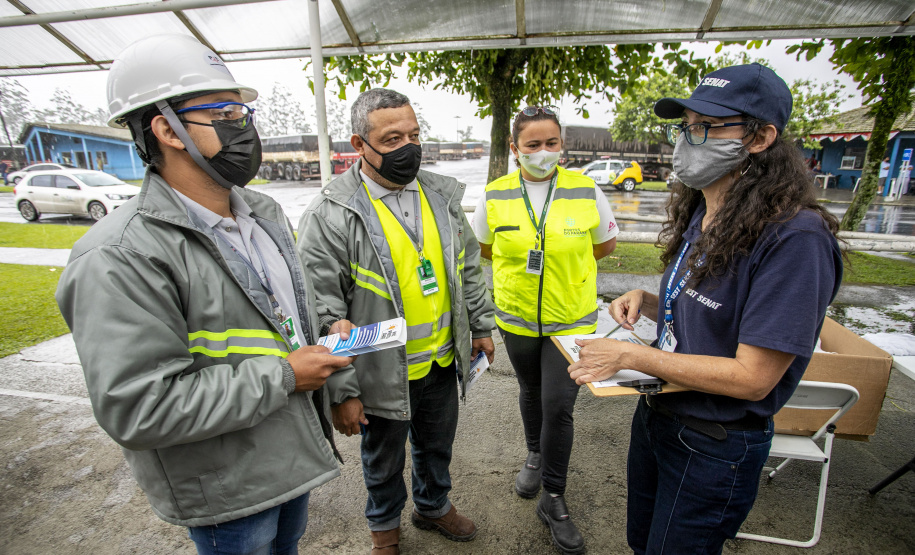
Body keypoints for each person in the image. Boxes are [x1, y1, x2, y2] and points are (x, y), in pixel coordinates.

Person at [55, 35, 353, 555]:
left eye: (243, 112)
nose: (246, 128)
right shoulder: (119, 255)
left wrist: (323, 332)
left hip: (289, 454)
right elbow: (140, 408)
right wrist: (286, 375)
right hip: (226, 485)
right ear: (167, 130)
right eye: (225, 113)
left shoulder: (262, 213)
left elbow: (275, 317)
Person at [567, 63, 844, 555]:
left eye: (706, 127)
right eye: (685, 126)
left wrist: (630, 356)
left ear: (760, 138)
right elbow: (713, 310)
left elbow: (753, 378)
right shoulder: (704, 210)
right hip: (659, 417)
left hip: (715, 441)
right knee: (641, 543)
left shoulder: (796, 239)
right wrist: (651, 302)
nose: (687, 140)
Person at [297, 88, 496, 555]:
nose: (408, 148)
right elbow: (323, 312)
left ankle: (432, 506)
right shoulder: (332, 214)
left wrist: (481, 326)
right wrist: (342, 390)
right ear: (359, 144)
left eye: (414, 135)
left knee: (436, 445)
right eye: (392, 139)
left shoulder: (440, 196)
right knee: (382, 459)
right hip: (382, 370)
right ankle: (384, 531)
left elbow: (467, 267)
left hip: (441, 360)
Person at [471, 106, 618, 555]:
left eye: (551, 142)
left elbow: (604, 245)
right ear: (515, 149)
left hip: (571, 320)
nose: (543, 151)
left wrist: (563, 273)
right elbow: (485, 249)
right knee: (530, 390)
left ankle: (553, 496)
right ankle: (534, 453)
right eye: (532, 144)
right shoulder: (495, 194)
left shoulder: (585, 189)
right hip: (516, 318)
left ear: (561, 144)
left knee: (558, 404)